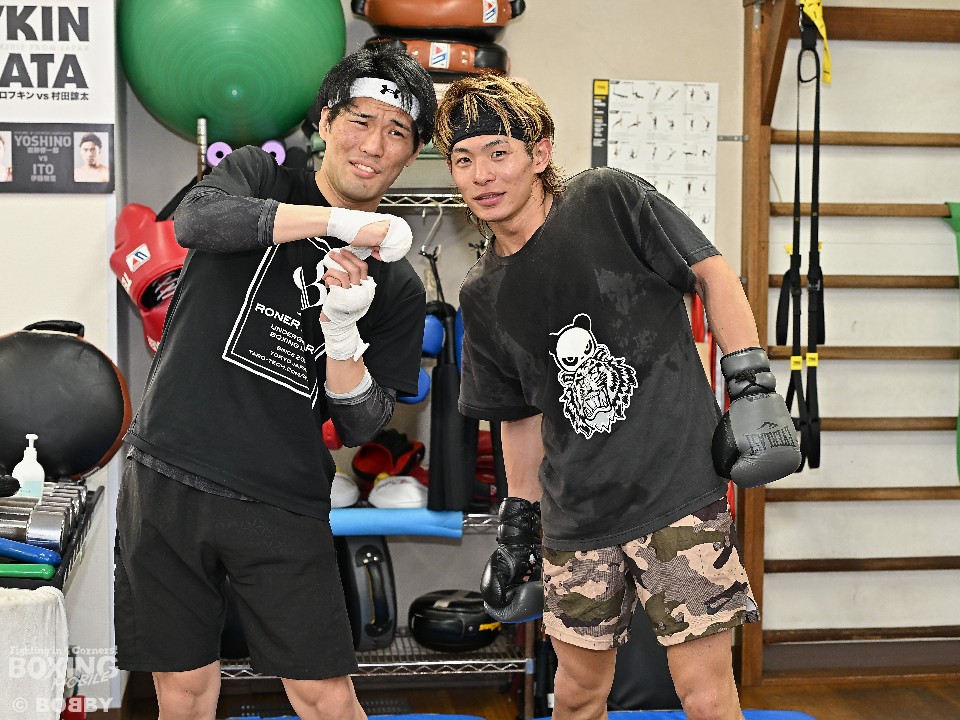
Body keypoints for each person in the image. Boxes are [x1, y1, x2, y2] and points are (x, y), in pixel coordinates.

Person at [434, 75, 800, 720]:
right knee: (576, 697)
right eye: (463, 159)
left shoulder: (608, 199)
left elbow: (711, 272)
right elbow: (518, 418)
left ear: (539, 154)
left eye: (498, 152)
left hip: (675, 494)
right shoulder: (481, 293)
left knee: (705, 695)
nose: (481, 175)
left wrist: (750, 382)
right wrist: (519, 521)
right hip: (575, 517)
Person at [114, 46, 437, 720]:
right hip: (170, 468)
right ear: (326, 120)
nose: (373, 145)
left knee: (324, 696)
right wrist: (338, 223)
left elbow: (363, 422)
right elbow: (197, 221)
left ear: (411, 155)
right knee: (182, 690)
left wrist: (343, 335)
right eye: (360, 120)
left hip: (281, 494)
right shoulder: (260, 174)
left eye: (396, 132)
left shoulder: (397, 284)